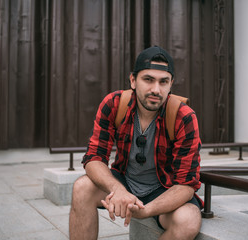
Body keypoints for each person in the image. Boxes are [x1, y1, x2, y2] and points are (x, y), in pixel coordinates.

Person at [69, 46, 202, 240]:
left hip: (163, 188)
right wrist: (118, 190)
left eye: (163, 82)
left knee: (188, 220)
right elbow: (94, 158)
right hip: (125, 180)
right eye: (148, 79)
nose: (156, 89)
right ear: (133, 80)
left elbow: (185, 184)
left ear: (171, 84)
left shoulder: (184, 117)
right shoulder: (114, 104)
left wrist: (145, 210)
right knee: (82, 188)